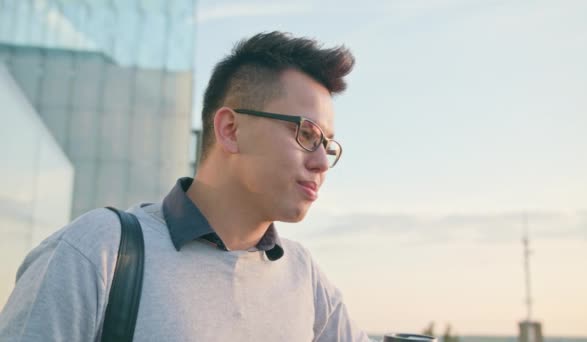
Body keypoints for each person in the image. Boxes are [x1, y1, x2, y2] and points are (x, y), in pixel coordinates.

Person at [0, 31, 370, 341]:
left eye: (328, 144)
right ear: (231, 130)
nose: (322, 162)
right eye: (306, 134)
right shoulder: (97, 252)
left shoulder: (305, 278)